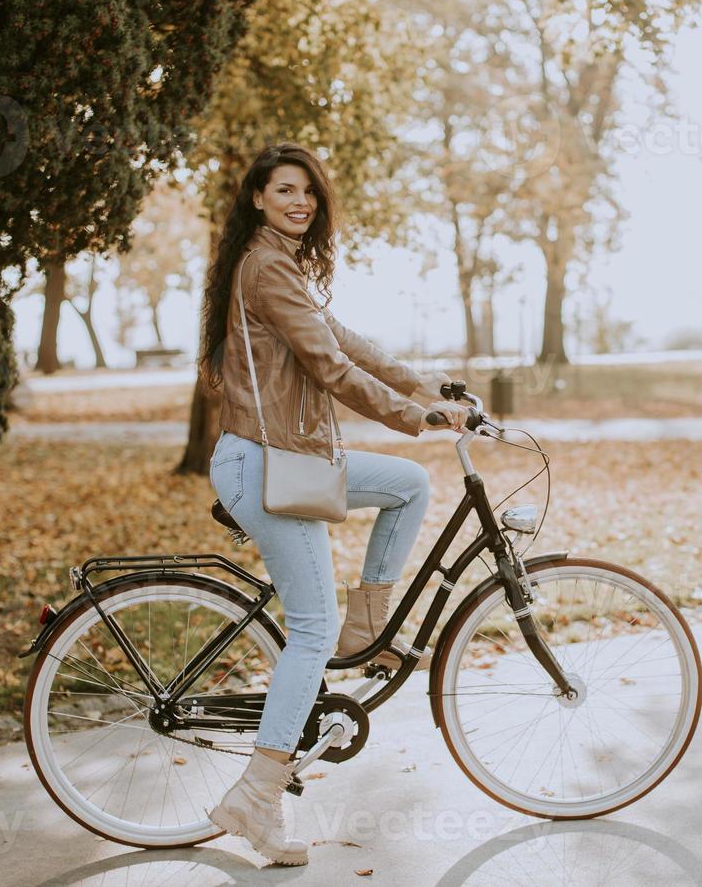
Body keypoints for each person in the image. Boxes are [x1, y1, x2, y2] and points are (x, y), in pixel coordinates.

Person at [196, 142, 471, 865]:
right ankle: (255, 797)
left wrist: (427, 386)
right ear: (257, 197)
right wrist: (416, 419)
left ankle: (367, 627)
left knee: (408, 485)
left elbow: (344, 340)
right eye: (285, 189)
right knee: (309, 629)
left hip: (290, 461)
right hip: (267, 465)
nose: (300, 201)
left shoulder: (280, 265)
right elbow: (328, 366)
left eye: (309, 192)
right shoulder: (265, 266)